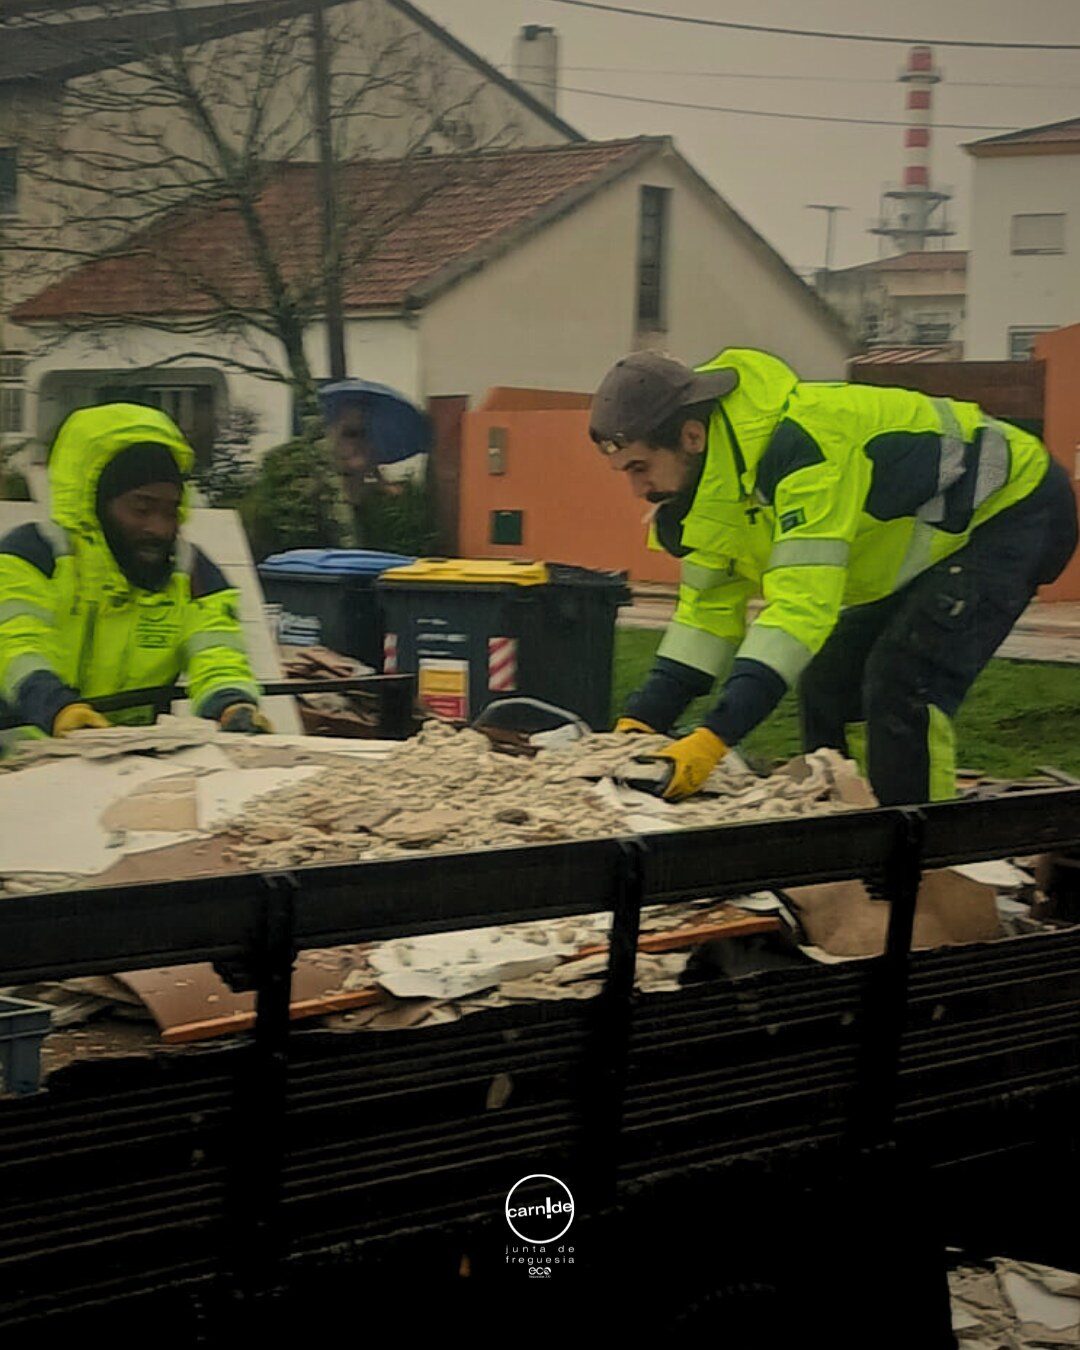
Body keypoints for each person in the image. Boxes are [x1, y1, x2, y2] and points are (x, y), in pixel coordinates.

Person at [590, 348, 1077, 805]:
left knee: (904, 683)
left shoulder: (803, 450)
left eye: (640, 467)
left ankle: (919, 866)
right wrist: (643, 722)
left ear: (690, 437)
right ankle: (838, 827)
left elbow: (801, 610)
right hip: (944, 534)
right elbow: (705, 617)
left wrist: (713, 739)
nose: (636, 489)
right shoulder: (710, 490)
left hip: (1015, 512)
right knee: (826, 678)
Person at [0, 403, 270, 742]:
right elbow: (16, 646)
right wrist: (58, 709)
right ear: (96, 503)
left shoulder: (191, 572)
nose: (157, 528)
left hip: (128, 761)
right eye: (141, 508)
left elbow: (218, 652)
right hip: (17, 761)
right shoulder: (33, 554)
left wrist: (233, 705)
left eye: (171, 511)